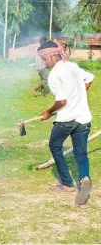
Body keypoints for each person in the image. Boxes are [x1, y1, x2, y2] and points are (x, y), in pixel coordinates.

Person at [38, 41, 94, 205]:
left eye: (44, 58)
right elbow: (89, 78)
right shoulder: (72, 66)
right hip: (83, 117)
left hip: (66, 120)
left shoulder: (54, 75)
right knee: (81, 153)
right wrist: (78, 98)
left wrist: (49, 111)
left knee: (55, 145)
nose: (43, 62)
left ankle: (67, 183)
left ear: (52, 55)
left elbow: (61, 101)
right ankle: (84, 178)